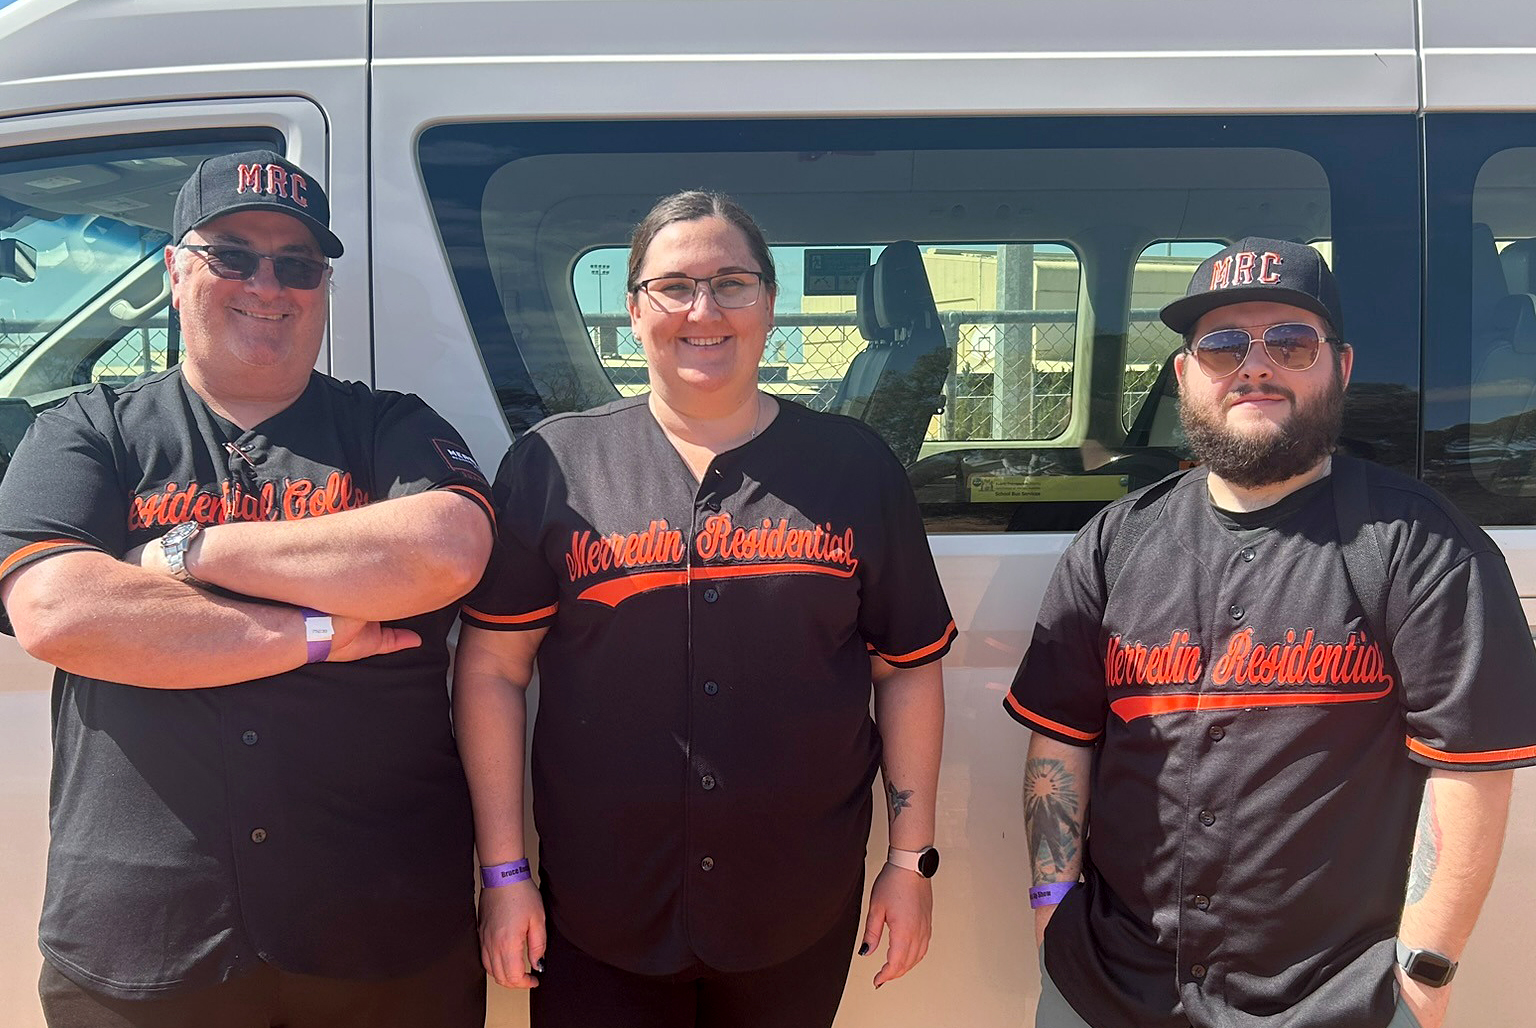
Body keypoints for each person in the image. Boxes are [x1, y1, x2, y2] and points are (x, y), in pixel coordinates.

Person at [0, 149, 495, 1028]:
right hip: (141, 938)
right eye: (233, 253)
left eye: (297, 265)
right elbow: (58, 610)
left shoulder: (391, 425)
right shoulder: (85, 428)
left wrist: (187, 554)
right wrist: (315, 631)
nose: (268, 284)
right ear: (175, 269)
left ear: (321, 286)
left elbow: (446, 549)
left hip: (378, 932)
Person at [1004, 237, 1536, 1028]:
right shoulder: (1115, 542)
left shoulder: (1424, 544)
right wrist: (1053, 908)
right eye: (1221, 345)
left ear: (1341, 367)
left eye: (1291, 342)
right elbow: (1061, 740)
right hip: (1109, 985)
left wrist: (1421, 978)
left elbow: (1469, 773)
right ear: (1186, 376)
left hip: (1334, 1000)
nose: (1255, 366)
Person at [453, 190, 955, 1028]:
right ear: (632, 306)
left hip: (796, 909)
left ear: (770, 303)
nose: (703, 311)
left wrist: (910, 861)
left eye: (732, 283)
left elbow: (906, 671)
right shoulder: (553, 462)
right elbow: (493, 670)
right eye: (674, 286)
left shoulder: (854, 467)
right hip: (599, 910)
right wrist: (504, 875)